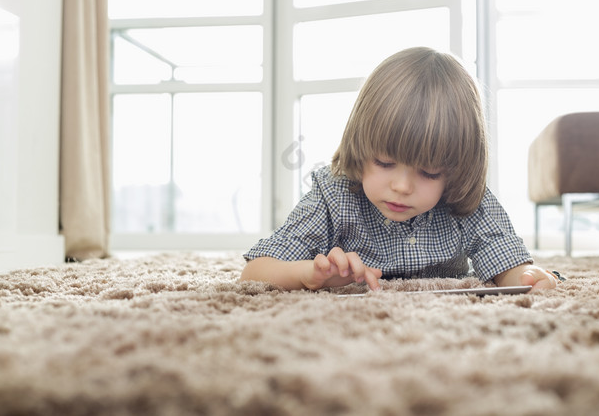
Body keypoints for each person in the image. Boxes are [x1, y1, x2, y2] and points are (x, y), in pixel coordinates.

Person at [240, 47, 561, 292]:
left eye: (429, 172)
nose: (402, 186)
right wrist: (309, 274)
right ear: (362, 148)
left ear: (454, 172)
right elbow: (255, 272)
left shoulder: (466, 200)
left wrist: (525, 276)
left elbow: (505, 262)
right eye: (384, 163)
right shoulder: (332, 193)